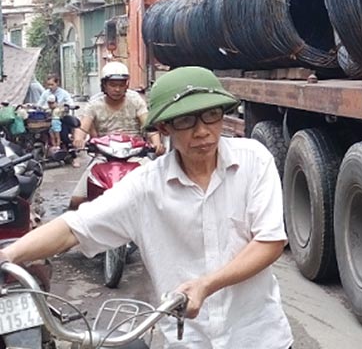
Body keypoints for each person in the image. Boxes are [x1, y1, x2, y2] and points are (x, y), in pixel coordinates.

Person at [0, 66, 293, 348]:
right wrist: (8, 255)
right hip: (189, 340)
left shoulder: (253, 160)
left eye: (211, 115)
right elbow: (73, 228)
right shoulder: (145, 186)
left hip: (260, 337)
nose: (202, 131)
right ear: (164, 126)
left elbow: (270, 242)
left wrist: (207, 285)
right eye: (186, 120)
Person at [69, 61, 164, 204]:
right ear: (104, 85)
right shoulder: (94, 104)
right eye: (113, 85)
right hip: (104, 155)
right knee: (77, 198)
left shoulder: (135, 100)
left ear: (127, 84)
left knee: (158, 190)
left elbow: (148, 125)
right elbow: (82, 127)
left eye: (121, 84)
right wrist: (78, 139)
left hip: (135, 154)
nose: (117, 89)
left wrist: (156, 143)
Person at [37, 74, 75, 146]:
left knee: (63, 133)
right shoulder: (45, 93)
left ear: (57, 83)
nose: (50, 87)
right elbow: (39, 104)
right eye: (48, 85)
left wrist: (65, 107)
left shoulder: (64, 93)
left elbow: (71, 103)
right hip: (48, 119)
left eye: (52, 84)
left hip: (60, 118)